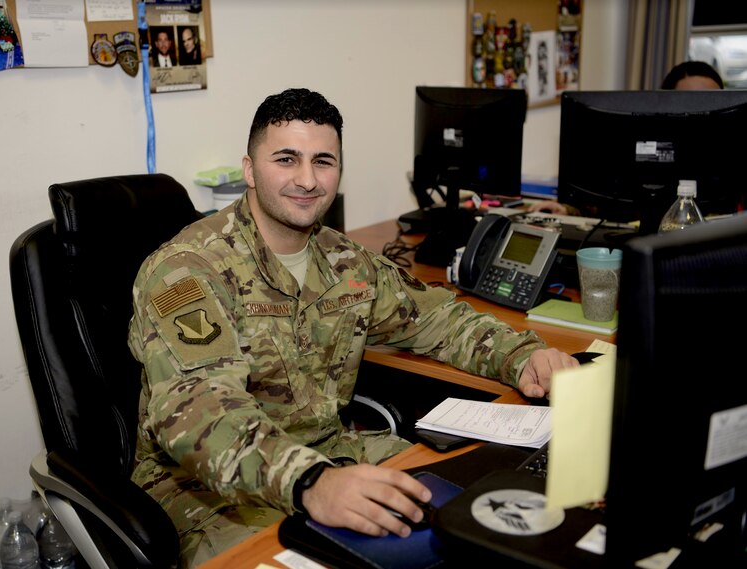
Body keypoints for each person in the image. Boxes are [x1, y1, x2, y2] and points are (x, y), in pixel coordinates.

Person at [128, 88, 579, 568]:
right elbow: (199, 409)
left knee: (478, 514)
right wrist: (310, 481)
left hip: (334, 452)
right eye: (286, 159)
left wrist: (523, 356)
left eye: (324, 161)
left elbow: (439, 319)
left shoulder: (345, 260)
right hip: (208, 493)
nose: (307, 180)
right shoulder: (186, 271)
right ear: (249, 169)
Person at [528, 60, 724, 216]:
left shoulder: (730, 155)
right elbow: (609, 202)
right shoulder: (643, 146)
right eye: (691, 103)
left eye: (710, 102)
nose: (701, 114)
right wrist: (567, 210)